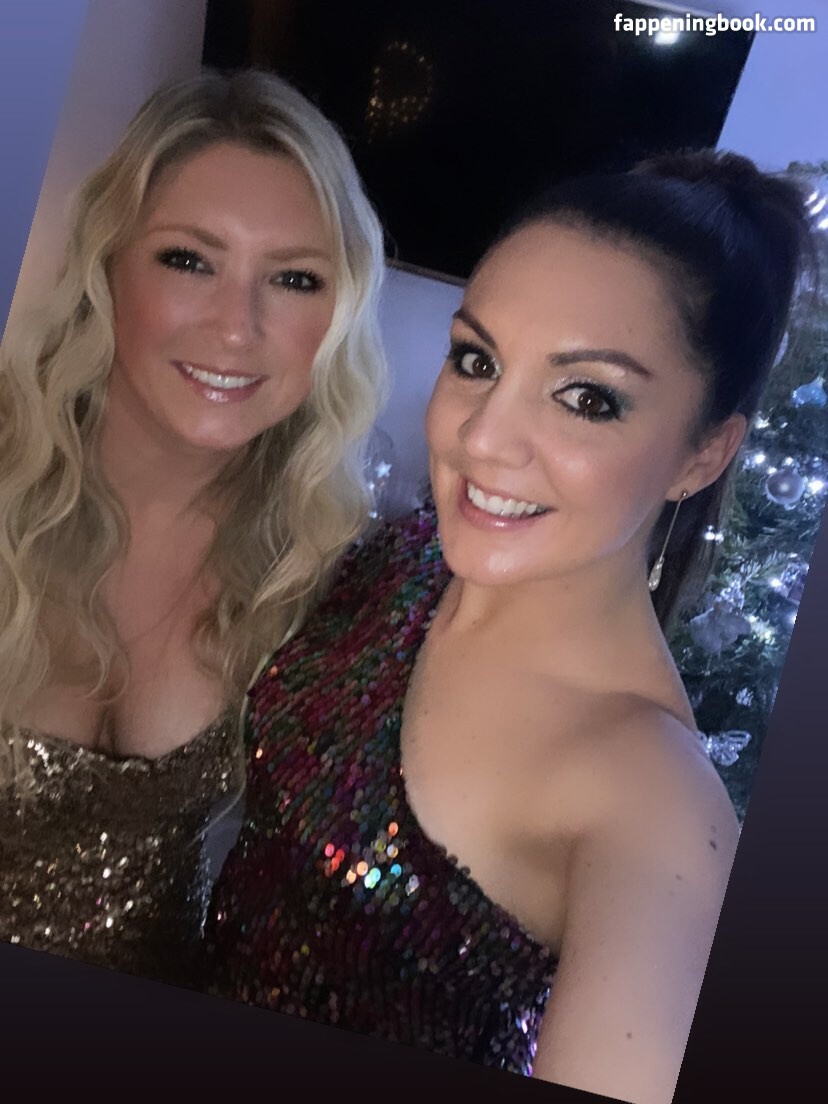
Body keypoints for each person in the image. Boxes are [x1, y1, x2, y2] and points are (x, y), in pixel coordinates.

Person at [203, 149, 814, 1103]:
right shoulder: (402, 555)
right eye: (477, 361)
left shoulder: (654, 805)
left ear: (703, 454)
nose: (481, 438)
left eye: (587, 398)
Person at [0, 68, 386, 985]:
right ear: (107, 269)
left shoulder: (319, 563)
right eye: (188, 260)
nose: (237, 326)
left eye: (294, 279)